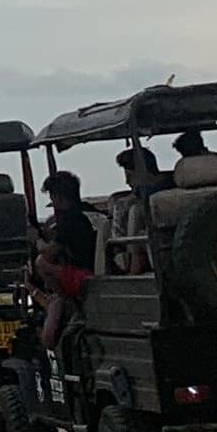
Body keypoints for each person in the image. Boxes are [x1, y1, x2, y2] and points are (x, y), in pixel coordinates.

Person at [34, 170, 97, 348]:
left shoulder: (69, 222)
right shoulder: (84, 215)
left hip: (80, 275)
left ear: (60, 198)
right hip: (86, 269)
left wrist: (38, 240)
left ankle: (60, 297)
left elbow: (48, 254)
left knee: (40, 263)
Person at [107, 146, 161, 272]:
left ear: (142, 172)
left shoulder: (137, 205)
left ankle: (132, 272)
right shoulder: (173, 189)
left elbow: (118, 237)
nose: (127, 182)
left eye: (130, 176)